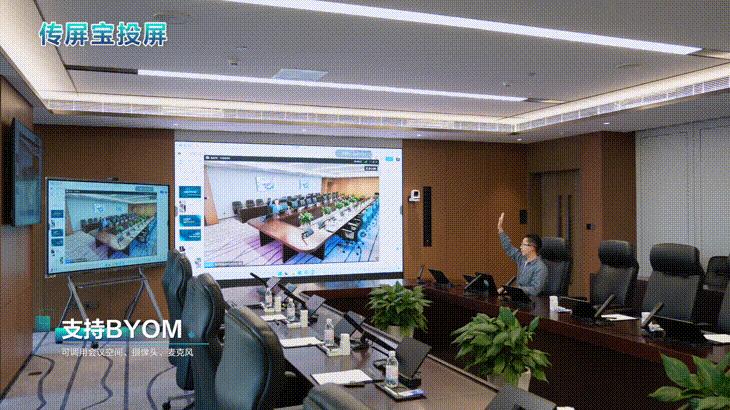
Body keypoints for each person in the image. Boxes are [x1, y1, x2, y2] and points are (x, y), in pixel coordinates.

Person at [497, 212, 547, 296]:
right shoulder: (522, 260)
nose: (520, 247)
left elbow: (535, 290)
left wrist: (513, 290)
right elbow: (509, 248)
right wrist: (500, 229)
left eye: (523, 244)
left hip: (531, 302)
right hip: (518, 298)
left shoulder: (540, 267)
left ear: (532, 248)